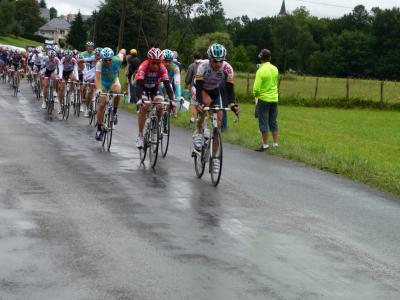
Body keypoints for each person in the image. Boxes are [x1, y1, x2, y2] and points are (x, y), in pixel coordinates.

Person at [193, 43, 240, 172]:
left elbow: (230, 91)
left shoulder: (227, 69)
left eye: (221, 61)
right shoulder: (203, 67)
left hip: (214, 91)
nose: (218, 64)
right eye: (215, 61)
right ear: (210, 59)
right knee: (205, 105)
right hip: (200, 89)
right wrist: (200, 103)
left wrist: (232, 104)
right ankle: (198, 132)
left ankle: (214, 158)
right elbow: (199, 88)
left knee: (219, 120)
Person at [135, 47, 174, 149]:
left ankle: (155, 128)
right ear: (149, 61)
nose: (156, 65)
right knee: (145, 106)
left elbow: (167, 85)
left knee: (160, 106)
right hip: (143, 87)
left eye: (158, 63)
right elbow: (138, 85)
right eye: (153, 63)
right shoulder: (143, 66)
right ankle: (140, 135)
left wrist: (172, 100)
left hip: (154, 88)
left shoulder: (162, 68)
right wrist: (140, 98)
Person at [94, 47, 126, 141]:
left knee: (118, 91)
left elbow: (122, 51)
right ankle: (99, 128)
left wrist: (123, 50)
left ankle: (115, 112)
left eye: (109, 60)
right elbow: (97, 78)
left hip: (113, 81)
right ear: (102, 59)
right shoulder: (99, 63)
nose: (107, 62)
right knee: (102, 104)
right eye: (105, 60)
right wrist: (98, 90)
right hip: (103, 83)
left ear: (112, 58)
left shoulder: (118, 59)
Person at [253, 49, 279, 151]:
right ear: (269, 58)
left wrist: (256, 96)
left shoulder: (260, 71)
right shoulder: (275, 69)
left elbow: (256, 88)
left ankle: (265, 144)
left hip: (263, 98)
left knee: (263, 121)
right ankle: (276, 143)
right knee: (273, 120)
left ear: (260, 58)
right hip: (274, 98)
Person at [162, 49, 182, 114]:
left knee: (172, 99)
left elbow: (177, 83)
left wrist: (178, 96)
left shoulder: (175, 67)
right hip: (158, 84)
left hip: (168, 85)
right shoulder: (158, 65)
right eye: (165, 61)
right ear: (161, 59)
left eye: (170, 61)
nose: (167, 63)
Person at [185, 51, 203, 123]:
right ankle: (200, 119)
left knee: (193, 103)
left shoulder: (192, 66)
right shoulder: (205, 65)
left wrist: (186, 87)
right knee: (201, 103)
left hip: (194, 88)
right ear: (201, 57)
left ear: (193, 57)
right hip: (205, 88)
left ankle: (192, 118)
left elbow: (188, 79)